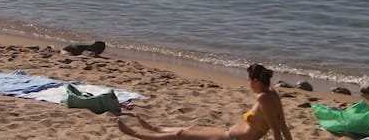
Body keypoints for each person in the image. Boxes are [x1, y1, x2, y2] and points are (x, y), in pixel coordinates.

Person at [116, 64, 292, 140]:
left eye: (249, 80)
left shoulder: (264, 98)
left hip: (230, 139)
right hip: (227, 133)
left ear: (255, 80)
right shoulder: (272, 93)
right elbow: (283, 125)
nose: (248, 84)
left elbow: (277, 129)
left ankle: (136, 135)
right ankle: (154, 128)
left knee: (181, 136)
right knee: (192, 128)